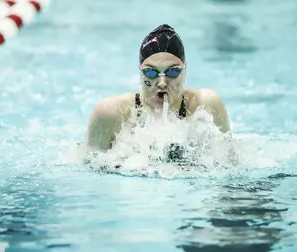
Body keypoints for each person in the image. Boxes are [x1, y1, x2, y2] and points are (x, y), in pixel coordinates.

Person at [85, 24, 231, 161]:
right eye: (151, 72)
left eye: (173, 71)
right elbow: (89, 172)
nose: (162, 83)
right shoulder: (112, 114)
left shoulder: (206, 107)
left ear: (185, 70)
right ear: (140, 72)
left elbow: (230, 163)